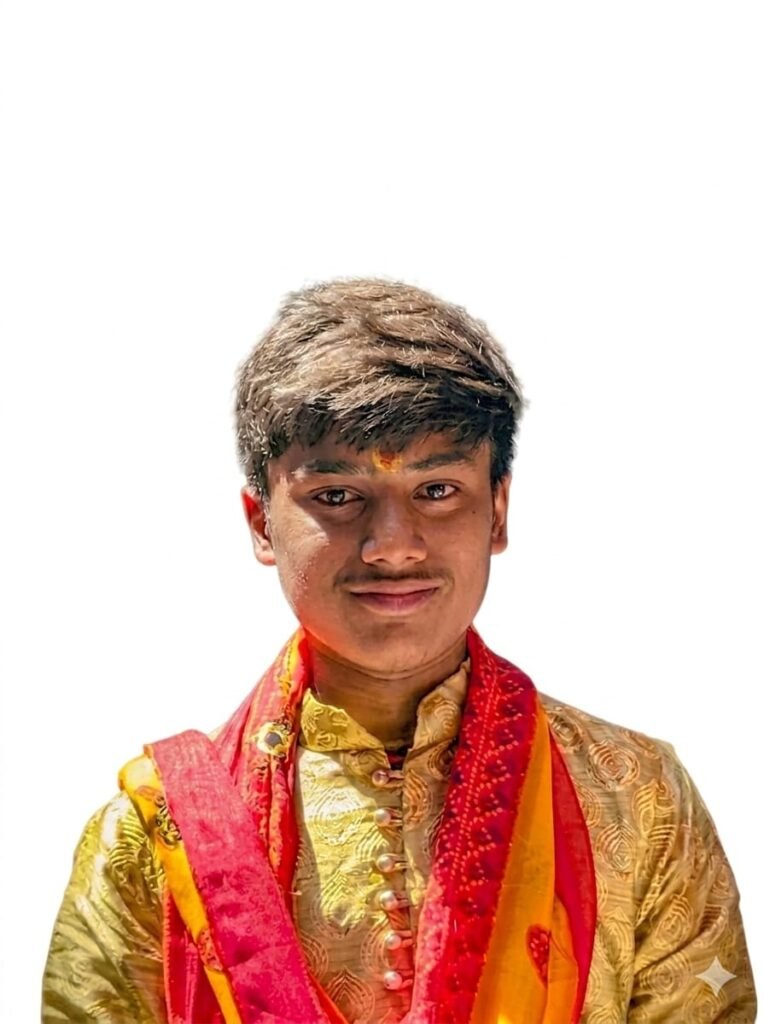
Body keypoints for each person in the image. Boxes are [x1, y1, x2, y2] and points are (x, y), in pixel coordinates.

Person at [42, 278, 756, 1023]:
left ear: (498, 511)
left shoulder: (638, 797)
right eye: (337, 496)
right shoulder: (152, 838)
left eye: (437, 490)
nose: (391, 546)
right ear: (260, 523)